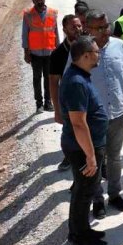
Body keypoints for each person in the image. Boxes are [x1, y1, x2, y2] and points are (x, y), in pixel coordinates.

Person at [61, 36, 108, 245]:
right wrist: (90, 156)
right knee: (83, 191)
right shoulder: (76, 82)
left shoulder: (80, 76)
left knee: (86, 189)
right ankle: (78, 235)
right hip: (82, 148)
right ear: (86, 55)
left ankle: (83, 229)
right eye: (97, 51)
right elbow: (79, 124)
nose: (99, 54)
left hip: (87, 145)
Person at [85, 10, 123, 217]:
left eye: (107, 26)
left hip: (118, 114)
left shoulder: (119, 46)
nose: (106, 31)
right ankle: (97, 199)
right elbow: (70, 81)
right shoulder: (81, 50)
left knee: (115, 158)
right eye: (100, 28)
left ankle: (114, 194)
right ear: (88, 29)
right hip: (93, 118)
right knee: (95, 159)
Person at [49, 14, 83, 170]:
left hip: (89, 96)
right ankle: (69, 157)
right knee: (69, 131)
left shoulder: (89, 47)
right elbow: (54, 83)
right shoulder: (57, 54)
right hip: (69, 100)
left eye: (79, 26)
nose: (77, 29)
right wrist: (57, 109)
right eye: (73, 27)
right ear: (64, 29)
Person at [22, 0, 59, 113]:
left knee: (49, 78)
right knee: (37, 78)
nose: (39, 1)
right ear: (33, 1)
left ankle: (48, 103)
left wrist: (58, 49)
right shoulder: (28, 15)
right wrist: (26, 52)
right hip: (35, 54)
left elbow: (56, 32)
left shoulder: (52, 13)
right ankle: (39, 104)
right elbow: (25, 34)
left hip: (50, 52)